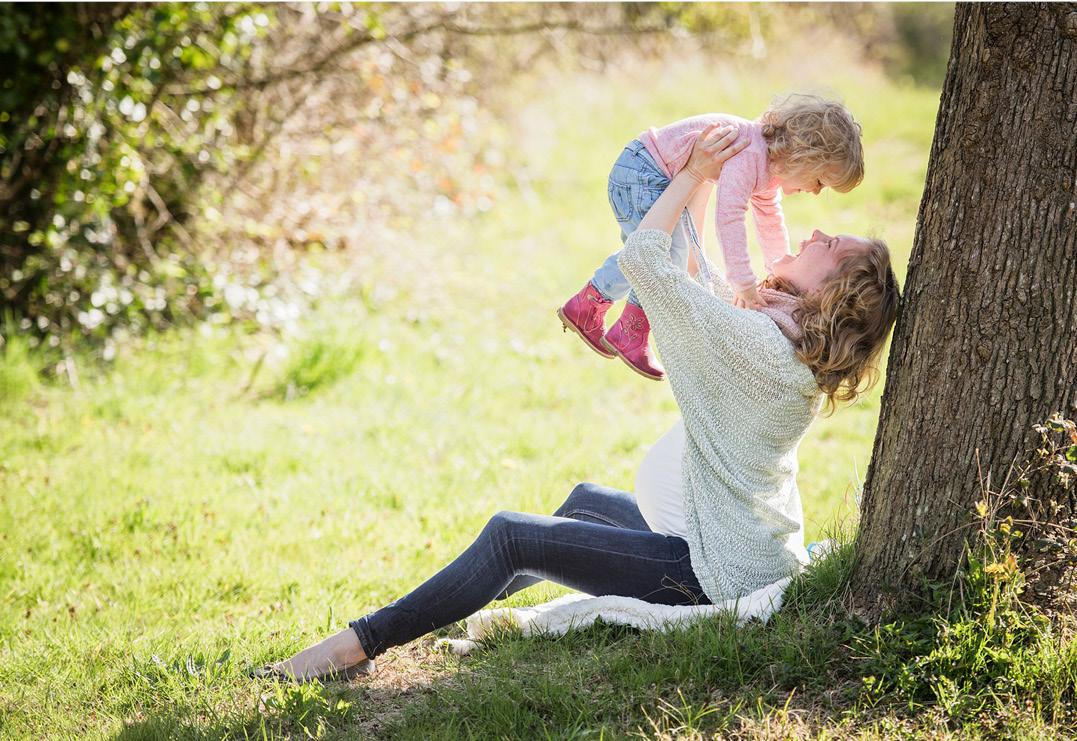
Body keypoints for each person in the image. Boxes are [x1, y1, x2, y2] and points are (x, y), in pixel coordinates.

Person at [254, 125, 899, 683]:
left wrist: (695, 174)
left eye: (833, 246)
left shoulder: (758, 346)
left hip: (712, 573)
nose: (816, 231)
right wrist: (707, 183)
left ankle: (354, 646)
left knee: (512, 535)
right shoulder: (786, 345)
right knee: (584, 501)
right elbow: (701, 282)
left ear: (833, 295)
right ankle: (439, 609)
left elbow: (648, 260)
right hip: (738, 545)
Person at [558, 93, 864, 381]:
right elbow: (729, 217)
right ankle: (628, 328)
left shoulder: (769, 167)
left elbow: (770, 220)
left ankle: (590, 306)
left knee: (659, 252)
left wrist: (777, 270)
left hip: (648, 172)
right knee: (661, 254)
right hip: (643, 172)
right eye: (820, 181)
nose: (814, 191)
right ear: (804, 156)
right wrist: (743, 283)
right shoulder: (752, 154)